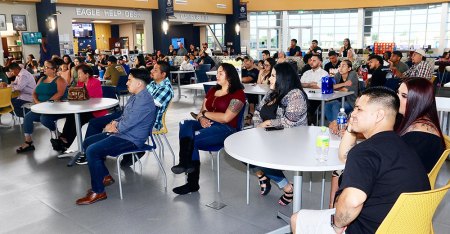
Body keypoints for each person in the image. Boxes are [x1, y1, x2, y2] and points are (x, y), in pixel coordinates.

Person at [291, 87, 430, 234]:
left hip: (372, 229)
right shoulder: (404, 146)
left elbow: (352, 202)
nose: (353, 114)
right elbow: (344, 156)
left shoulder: (365, 151)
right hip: (407, 226)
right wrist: (351, 129)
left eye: (359, 109)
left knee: (297, 218)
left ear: (378, 115)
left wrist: (337, 225)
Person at [75, 69, 156, 205]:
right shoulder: (136, 96)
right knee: (88, 142)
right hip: (123, 134)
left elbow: (130, 122)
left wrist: (115, 127)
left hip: (132, 139)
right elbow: (125, 116)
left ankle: (98, 191)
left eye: (130, 80)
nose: (126, 82)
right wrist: (114, 123)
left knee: (92, 151)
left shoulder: (144, 101)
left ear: (139, 84)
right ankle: (104, 176)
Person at [170, 63, 246, 195]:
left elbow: (226, 118)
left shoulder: (238, 94)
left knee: (192, 139)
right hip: (207, 123)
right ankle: (185, 162)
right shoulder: (212, 90)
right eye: (217, 72)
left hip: (226, 129)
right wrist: (201, 118)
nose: (217, 75)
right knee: (184, 123)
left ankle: (192, 182)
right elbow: (201, 111)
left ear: (230, 76)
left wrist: (204, 114)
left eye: (221, 73)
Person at [83, 62, 174, 166]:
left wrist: (116, 125)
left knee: (97, 123)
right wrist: (115, 122)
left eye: (155, 70)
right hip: (134, 113)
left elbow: (146, 108)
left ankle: (98, 152)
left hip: (147, 121)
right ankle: (100, 152)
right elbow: (137, 99)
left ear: (163, 74)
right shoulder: (151, 84)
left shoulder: (165, 89)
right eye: (152, 69)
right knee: (99, 122)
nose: (152, 71)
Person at [251, 62, 308, 205]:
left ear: (284, 78)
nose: (270, 78)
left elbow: (289, 122)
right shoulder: (272, 92)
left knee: (259, 155)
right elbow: (257, 111)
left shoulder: (296, 96)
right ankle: (263, 175)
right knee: (242, 148)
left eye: (274, 76)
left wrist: (267, 123)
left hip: (291, 142)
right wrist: (258, 126)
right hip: (270, 137)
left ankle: (287, 187)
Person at [50, 64, 108, 155]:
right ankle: (64, 139)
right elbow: (78, 97)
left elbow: (90, 98)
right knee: (71, 115)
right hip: (84, 109)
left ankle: (66, 142)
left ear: (87, 74)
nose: (78, 76)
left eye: (80, 73)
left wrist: (77, 97)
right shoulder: (80, 83)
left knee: (78, 118)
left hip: (95, 111)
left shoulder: (95, 82)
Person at [16, 60, 68, 153]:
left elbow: (60, 94)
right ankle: (28, 142)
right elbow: (34, 92)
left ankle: (57, 133)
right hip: (41, 107)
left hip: (54, 108)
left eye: (47, 67)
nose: (44, 69)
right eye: (44, 67)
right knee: (28, 117)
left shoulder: (60, 80)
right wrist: (37, 102)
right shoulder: (42, 79)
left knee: (45, 119)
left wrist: (46, 103)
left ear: (54, 69)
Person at [397, 78, 445, 173]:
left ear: (419, 101)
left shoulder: (420, 137)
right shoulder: (414, 120)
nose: (396, 98)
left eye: (404, 96)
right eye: (397, 93)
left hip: (409, 184)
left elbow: (400, 168)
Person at [325, 59, 358, 123]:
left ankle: (338, 126)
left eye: (343, 66)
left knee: (336, 106)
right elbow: (329, 87)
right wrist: (344, 84)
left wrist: (336, 87)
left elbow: (344, 90)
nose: (340, 68)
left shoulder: (353, 74)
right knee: (327, 105)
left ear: (349, 68)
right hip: (339, 100)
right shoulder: (338, 75)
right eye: (339, 66)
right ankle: (332, 124)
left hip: (351, 101)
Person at [301, 54, 328, 124]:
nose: (311, 62)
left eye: (314, 60)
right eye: (311, 60)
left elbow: (319, 87)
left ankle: (310, 124)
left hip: (317, 98)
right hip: (305, 96)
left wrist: (306, 85)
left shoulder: (324, 73)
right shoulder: (306, 73)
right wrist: (310, 84)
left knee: (308, 107)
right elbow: (300, 84)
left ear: (320, 62)